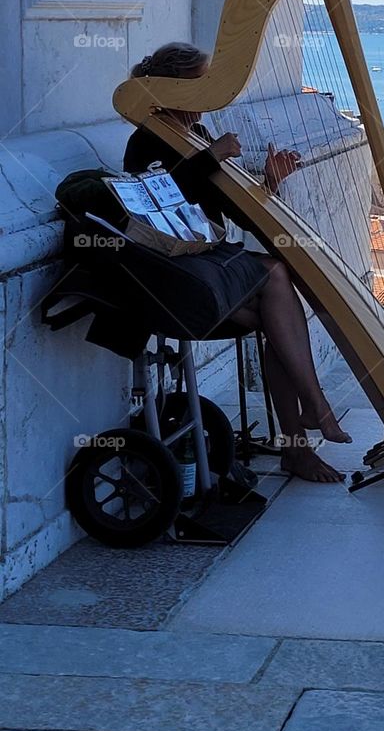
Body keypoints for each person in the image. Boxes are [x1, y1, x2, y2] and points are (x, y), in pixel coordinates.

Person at [123, 41, 351, 484]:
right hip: (172, 274)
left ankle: (300, 442)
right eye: (203, 83)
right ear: (177, 87)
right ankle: (311, 413)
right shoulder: (147, 137)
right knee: (277, 278)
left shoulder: (199, 135)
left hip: (209, 266)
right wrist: (212, 158)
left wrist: (270, 181)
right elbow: (158, 199)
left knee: (277, 313)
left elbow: (238, 212)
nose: (210, 94)